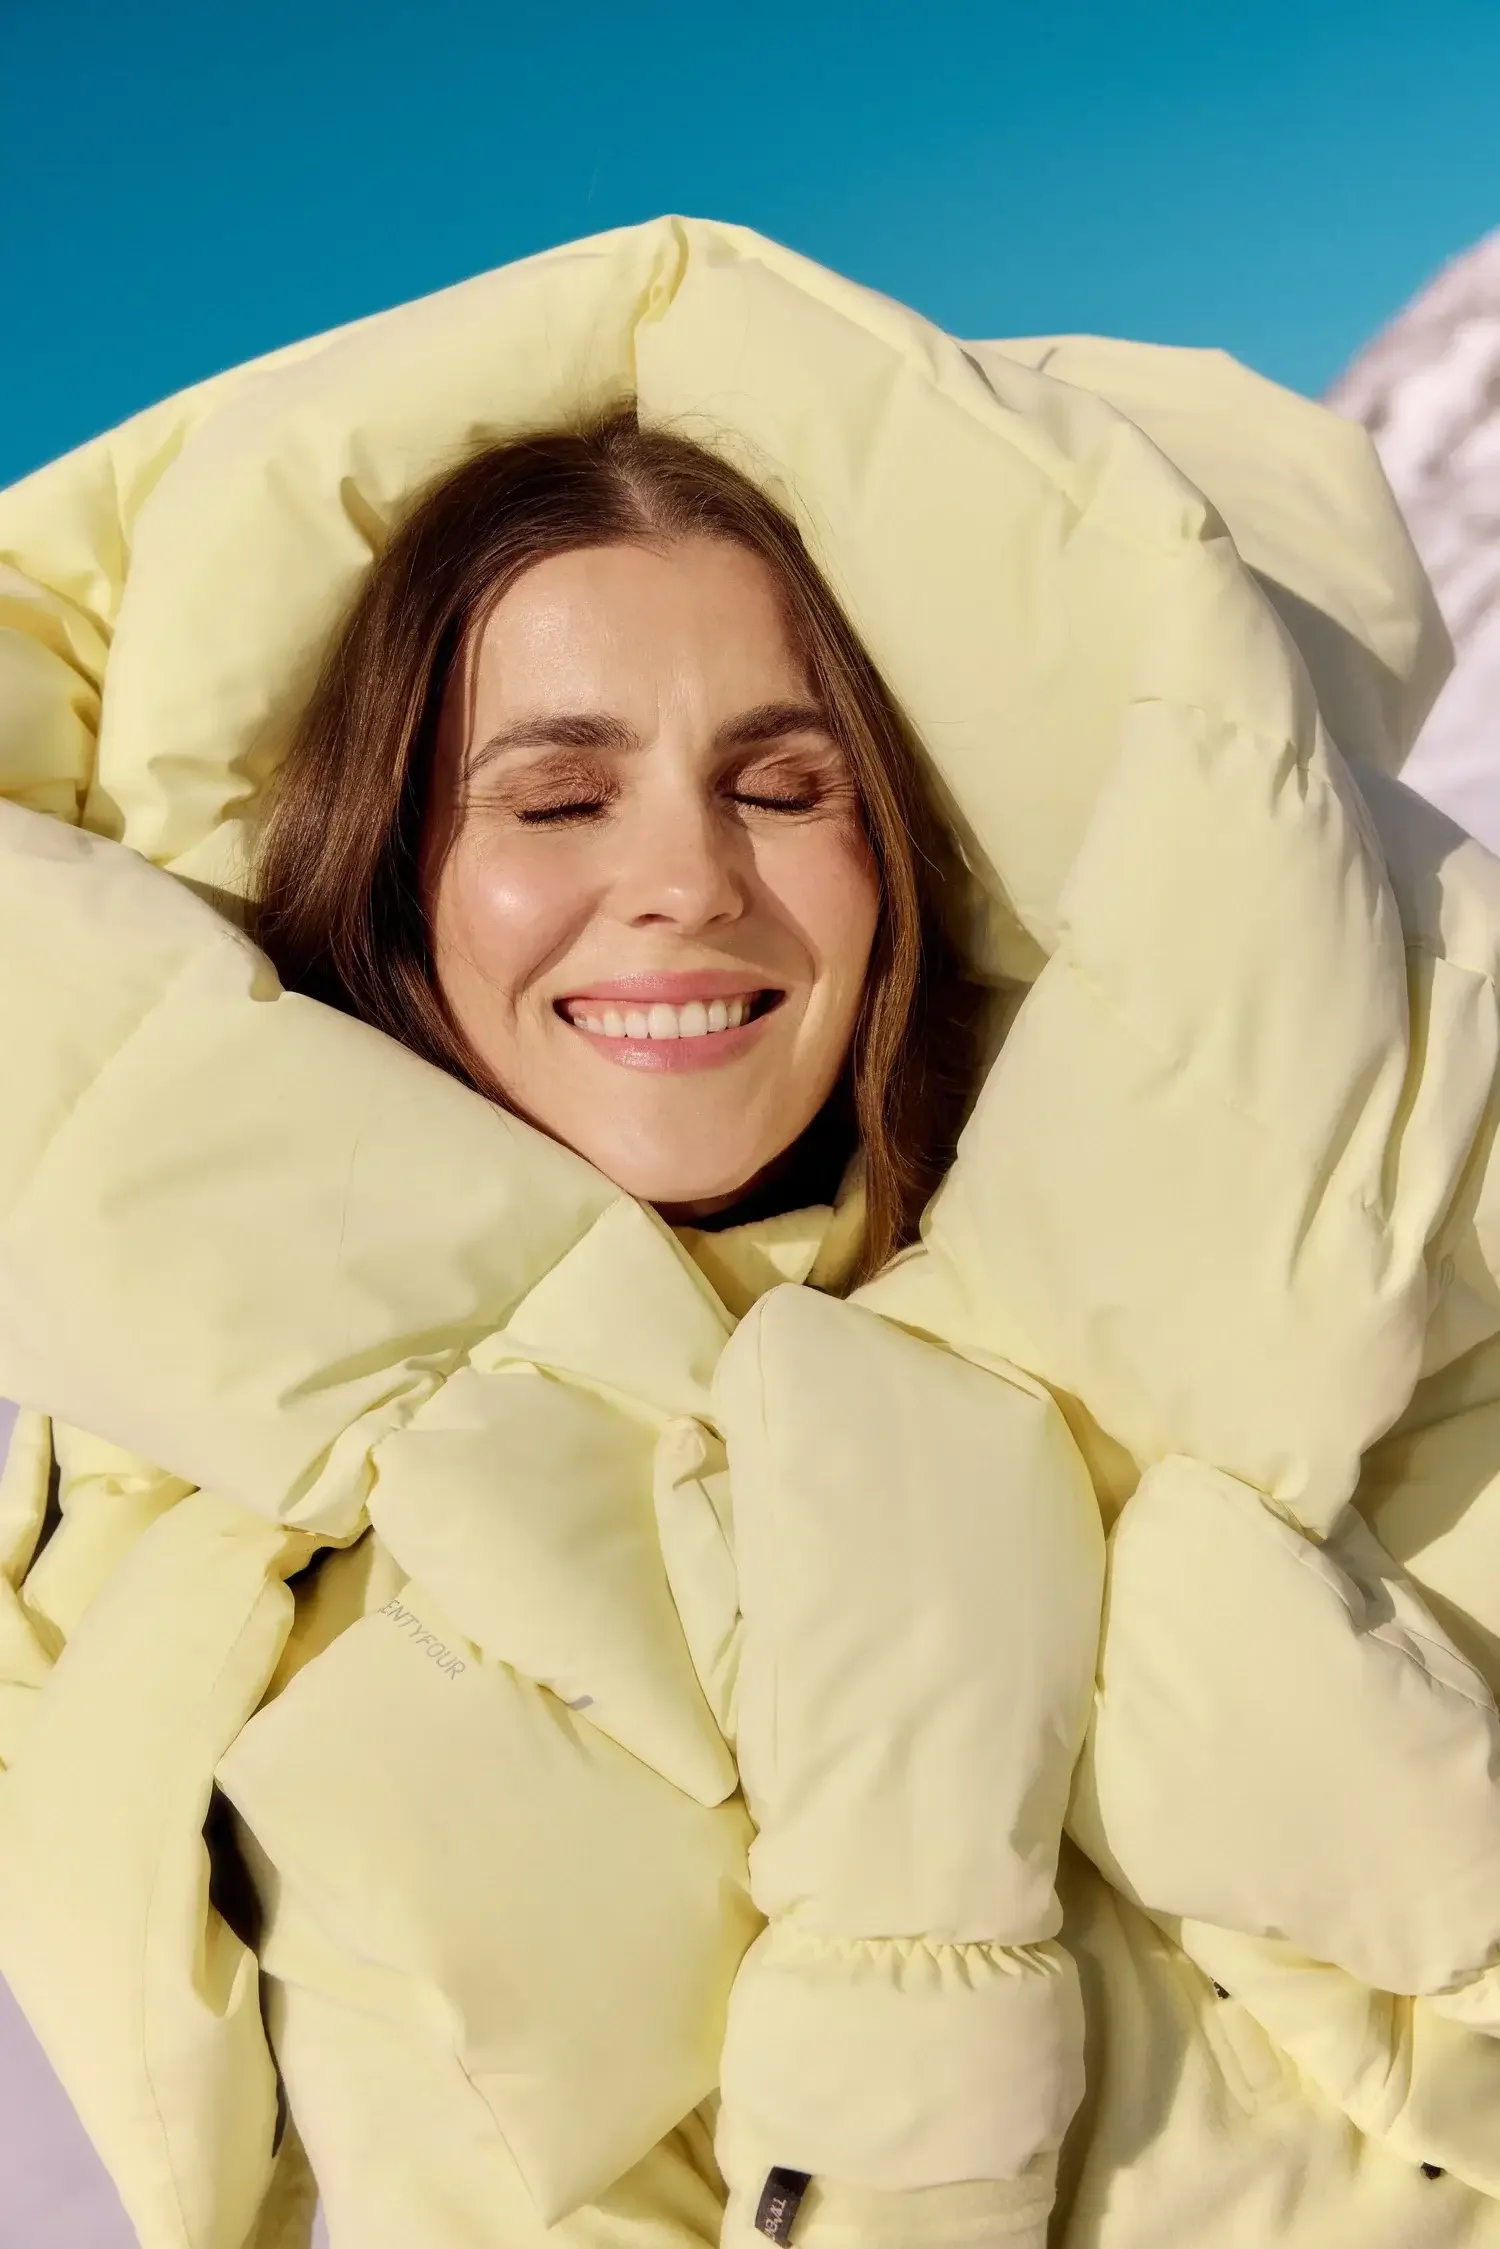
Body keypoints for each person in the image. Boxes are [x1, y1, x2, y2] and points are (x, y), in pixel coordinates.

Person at [4, 216, 1500, 2249]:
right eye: (555, 798)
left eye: (787, 786)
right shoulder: (165, 1527)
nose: (684, 884)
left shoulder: (1388, 1271)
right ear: (389, 868)